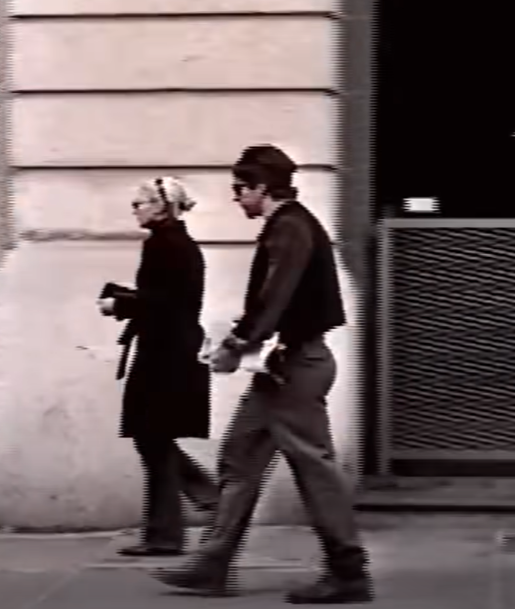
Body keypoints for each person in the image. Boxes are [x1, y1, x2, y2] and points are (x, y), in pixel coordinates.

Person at [151, 145, 375, 604]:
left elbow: (276, 296)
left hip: (297, 368)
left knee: (314, 469)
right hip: (283, 368)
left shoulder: (290, 228)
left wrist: (239, 343)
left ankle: (348, 570)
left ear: (261, 188)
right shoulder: (289, 225)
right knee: (239, 457)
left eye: (240, 189)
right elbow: (275, 301)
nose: (236, 199)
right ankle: (212, 565)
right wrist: (245, 340)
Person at [97, 176, 219, 557]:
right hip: (169, 350)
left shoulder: (166, 246)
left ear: (163, 207)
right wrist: (126, 297)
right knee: (154, 438)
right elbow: (165, 298)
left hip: (166, 354)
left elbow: (164, 304)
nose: (135, 208)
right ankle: (199, 503)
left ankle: (176, 526)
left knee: (152, 436)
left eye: (142, 202)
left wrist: (121, 305)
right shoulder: (174, 244)